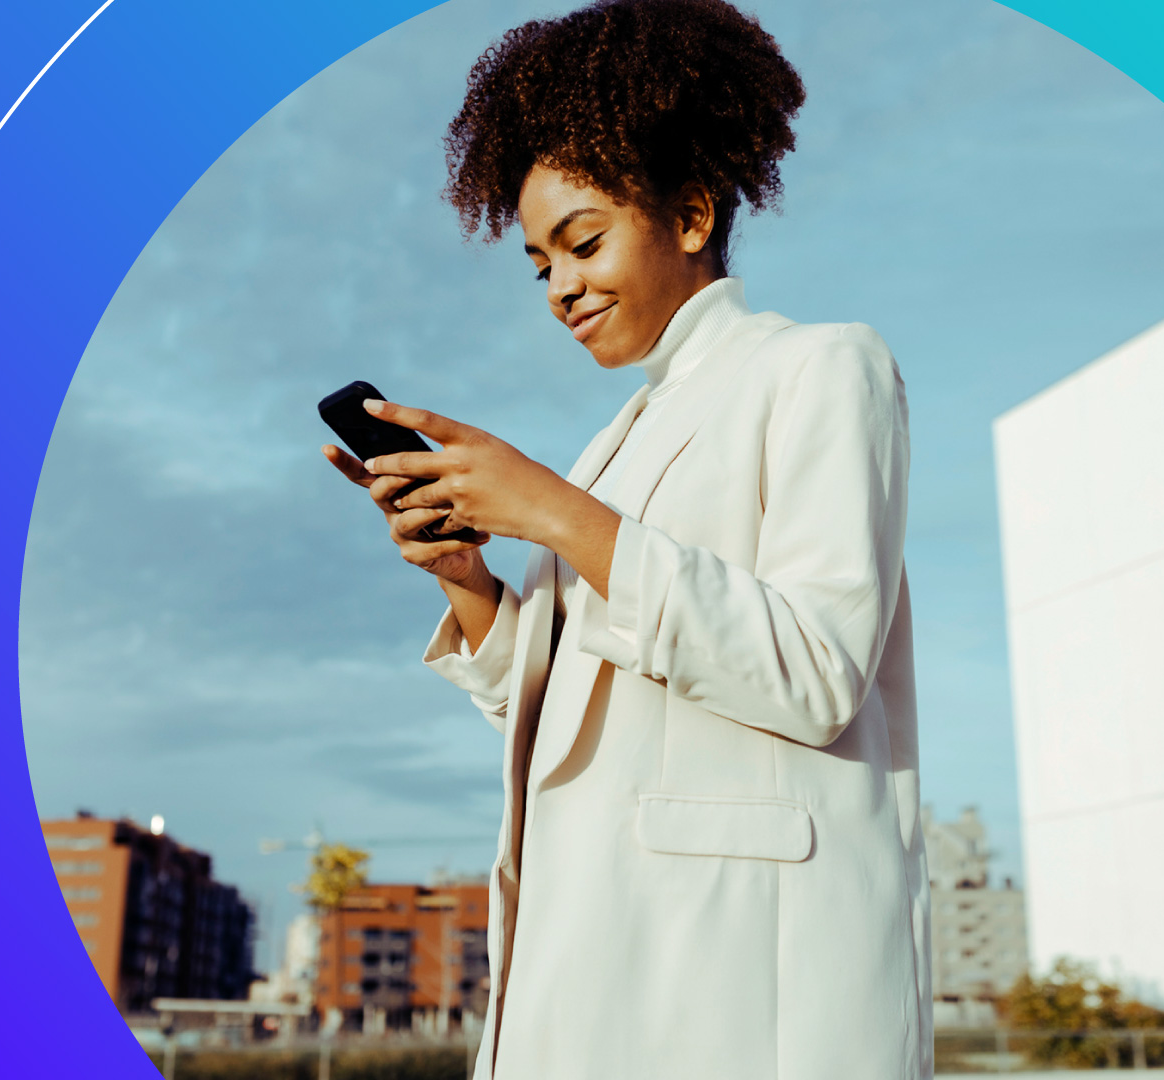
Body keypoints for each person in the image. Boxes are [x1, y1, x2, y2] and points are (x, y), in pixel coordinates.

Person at [318, 3, 929, 1076]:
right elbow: (571, 708)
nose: (558, 288)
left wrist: (552, 511)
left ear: (691, 214)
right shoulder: (610, 446)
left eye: (583, 242)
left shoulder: (822, 366)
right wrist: (469, 582)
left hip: (740, 988)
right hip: (586, 959)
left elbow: (819, 671)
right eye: (539, 264)